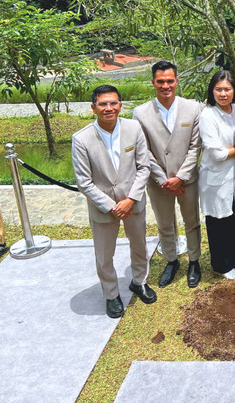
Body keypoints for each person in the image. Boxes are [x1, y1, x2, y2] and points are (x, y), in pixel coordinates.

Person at [72, 85, 157, 318]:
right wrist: (112, 205)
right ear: (93, 107)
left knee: (139, 244)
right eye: (102, 104)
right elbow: (84, 182)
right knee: (104, 254)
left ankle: (139, 281)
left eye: (113, 103)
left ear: (120, 105)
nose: (108, 108)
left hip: (134, 202)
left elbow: (144, 167)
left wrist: (130, 199)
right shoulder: (81, 139)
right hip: (103, 208)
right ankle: (111, 294)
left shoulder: (134, 128)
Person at [133, 61, 203, 288]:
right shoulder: (141, 113)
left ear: (177, 81)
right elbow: (143, 151)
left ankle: (194, 261)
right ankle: (171, 261)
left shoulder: (193, 108)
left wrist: (180, 177)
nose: (166, 86)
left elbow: (195, 146)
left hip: (187, 179)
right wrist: (164, 180)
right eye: (160, 81)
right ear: (153, 82)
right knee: (165, 223)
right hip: (158, 182)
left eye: (170, 81)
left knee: (191, 220)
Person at [198, 70, 235, 280]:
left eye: (227, 89)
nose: (223, 93)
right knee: (219, 221)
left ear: (234, 90)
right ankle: (222, 264)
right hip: (216, 178)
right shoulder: (208, 115)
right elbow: (218, 154)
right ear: (212, 92)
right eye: (218, 89)